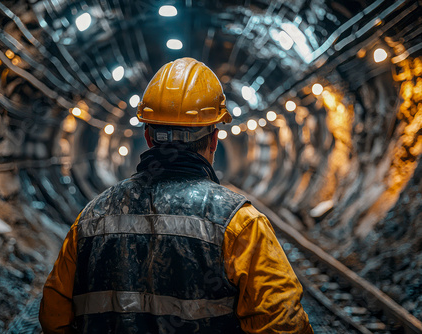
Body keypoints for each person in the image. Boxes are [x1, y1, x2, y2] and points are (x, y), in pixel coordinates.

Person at [39, 57, 313, 334]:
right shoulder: (240, 224)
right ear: (214, 140)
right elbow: (283, 325)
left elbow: (54, 317)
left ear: (147, 137)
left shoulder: (91, 219)